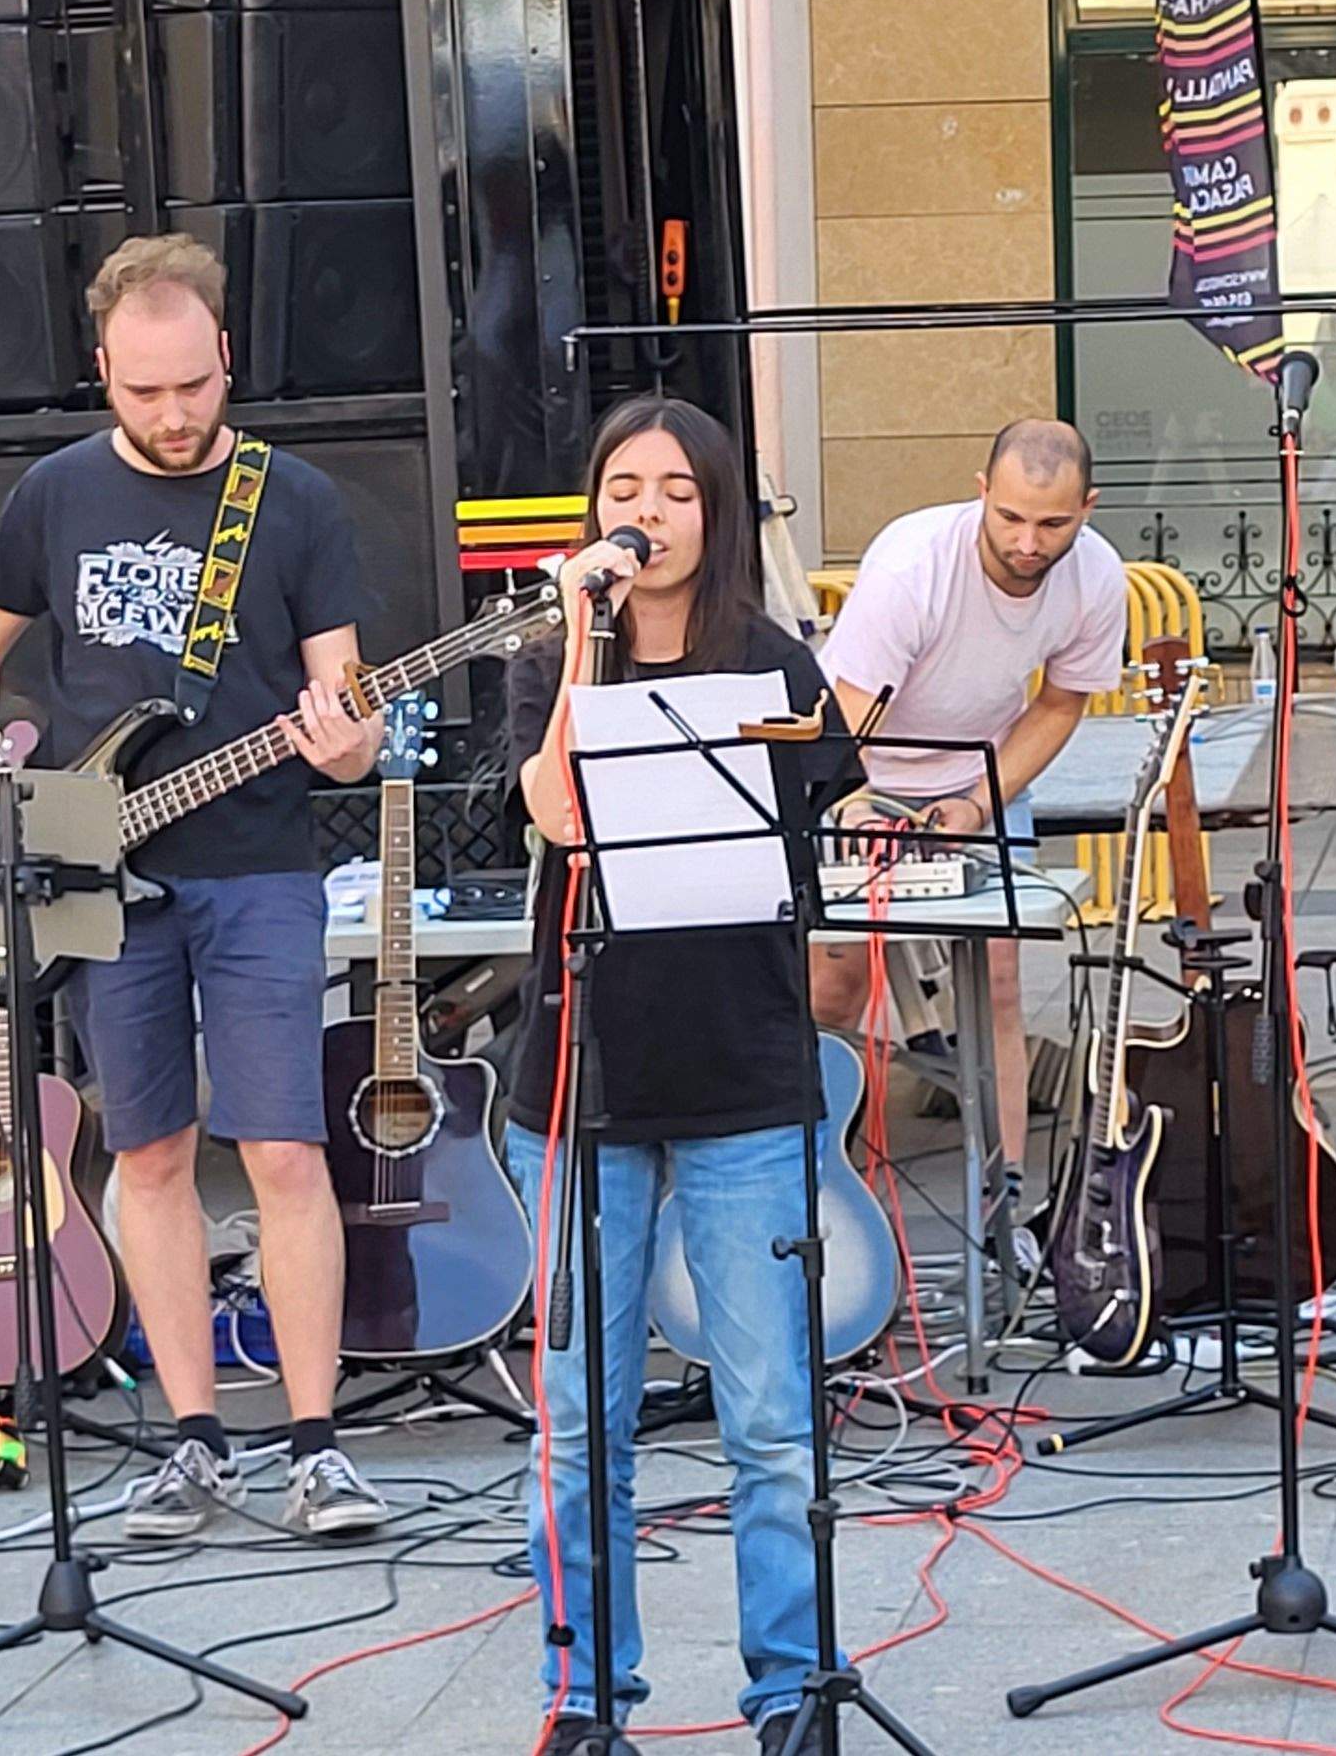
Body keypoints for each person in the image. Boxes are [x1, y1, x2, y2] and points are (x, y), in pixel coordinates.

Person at [0, 232, 392, 1542]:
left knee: (288, 1151)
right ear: (103, 375)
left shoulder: (291, 501)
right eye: (146, 392)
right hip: (94, 875)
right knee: (146, 1154)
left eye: (196, 384)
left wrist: (344, 740)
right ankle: (194, 1441)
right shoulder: (52, 498)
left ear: (225, 357)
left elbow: (345, 706)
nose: (179, 415)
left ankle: (315, 1444)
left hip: (257, 866)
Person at [503, 395, 853, 1756]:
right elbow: (557, 808)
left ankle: (790, 1693)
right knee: (582, 1424)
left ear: (716, 513)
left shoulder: (779, 671)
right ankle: (590, 1698)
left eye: (675, 491)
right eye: (621, 488)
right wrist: (586, 639)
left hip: (742, 1075)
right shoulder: (550, 664)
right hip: (581, 1081)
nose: (643, 512)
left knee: (769, 1419)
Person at [803, 419, 1132, 1162]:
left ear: (1087, 507)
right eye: (1009, 518)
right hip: (862, 769)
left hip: (978, 769)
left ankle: (1004, 1199)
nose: (1027, 543)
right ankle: (812, 1187)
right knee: (835, 987)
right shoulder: (911, 568)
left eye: (1052, 524)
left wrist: (978, 801)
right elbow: (843, 720)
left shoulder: (1098, 576)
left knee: (1000, 986)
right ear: (981, 493)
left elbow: (1059, 703)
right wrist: (849, 802)